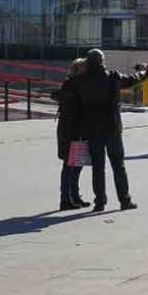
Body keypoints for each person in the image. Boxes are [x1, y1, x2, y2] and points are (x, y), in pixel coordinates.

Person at [73, 49, 148, 211]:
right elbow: (133, 79)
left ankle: (100, 202)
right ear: (102, 61)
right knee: (118, 165)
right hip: (112, 126)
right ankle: (124, 200)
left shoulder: (81, 80)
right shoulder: (113, 77)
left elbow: (68, 94)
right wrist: (144, 71)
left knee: (98, 167)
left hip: (93, 128)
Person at [53, 58, 89, 211]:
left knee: (77, 164)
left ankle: (74, 196)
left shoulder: (79, 85)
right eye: (85, 68)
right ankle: (65, 199)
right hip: (71, 131)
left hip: (77, 129)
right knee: (70, 165)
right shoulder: (72, 85)